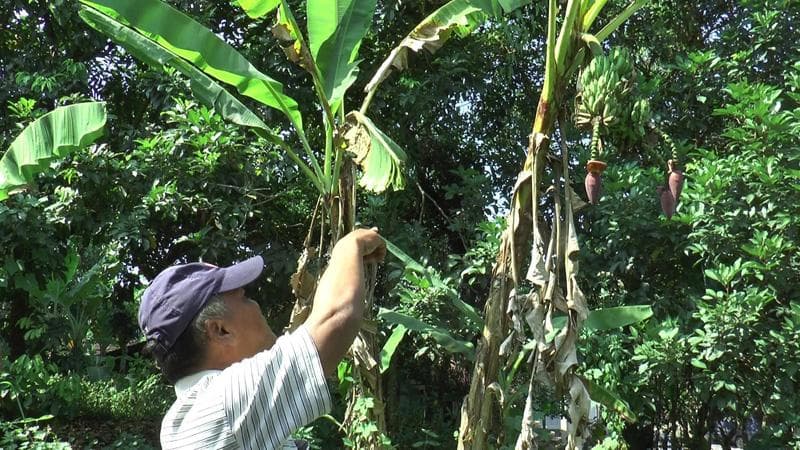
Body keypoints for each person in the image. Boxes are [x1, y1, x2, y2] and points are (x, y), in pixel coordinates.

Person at [137, 228, 386, 450]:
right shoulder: (223, 405)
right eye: (244, 297)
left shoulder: (186, 419)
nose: (255, 303)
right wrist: (349, 245)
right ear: (220, 330)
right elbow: (336, 317)